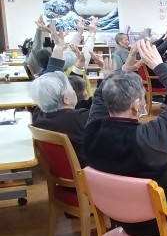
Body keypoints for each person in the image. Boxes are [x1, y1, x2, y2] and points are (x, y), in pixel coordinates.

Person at [83, 39, 167, 236]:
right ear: (136, 105)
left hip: (120, 218)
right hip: (160, 223)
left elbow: (99, 101)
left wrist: (120, 72)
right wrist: (158, 66)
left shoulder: (91, 131)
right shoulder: (149, 138)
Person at [30, 20, 118, 168]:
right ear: (65, 98)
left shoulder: (39, 114)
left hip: (64, 172)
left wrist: (59, 47)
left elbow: (50, 76)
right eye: (71, 87)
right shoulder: (80, 119)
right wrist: (107, 78)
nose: (74, 89)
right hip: (91, 174)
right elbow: (101, 104)